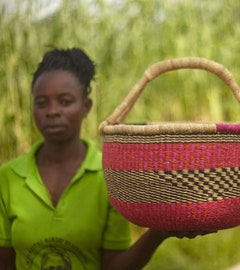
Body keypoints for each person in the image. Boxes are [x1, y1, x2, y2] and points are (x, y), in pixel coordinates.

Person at [0, 47, 214, 270]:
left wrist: (158, 233)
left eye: (64, 101)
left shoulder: (111, 176)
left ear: (86, 106)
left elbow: (113, 266)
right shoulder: (7, 178)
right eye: (42, 103)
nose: (52, 111)